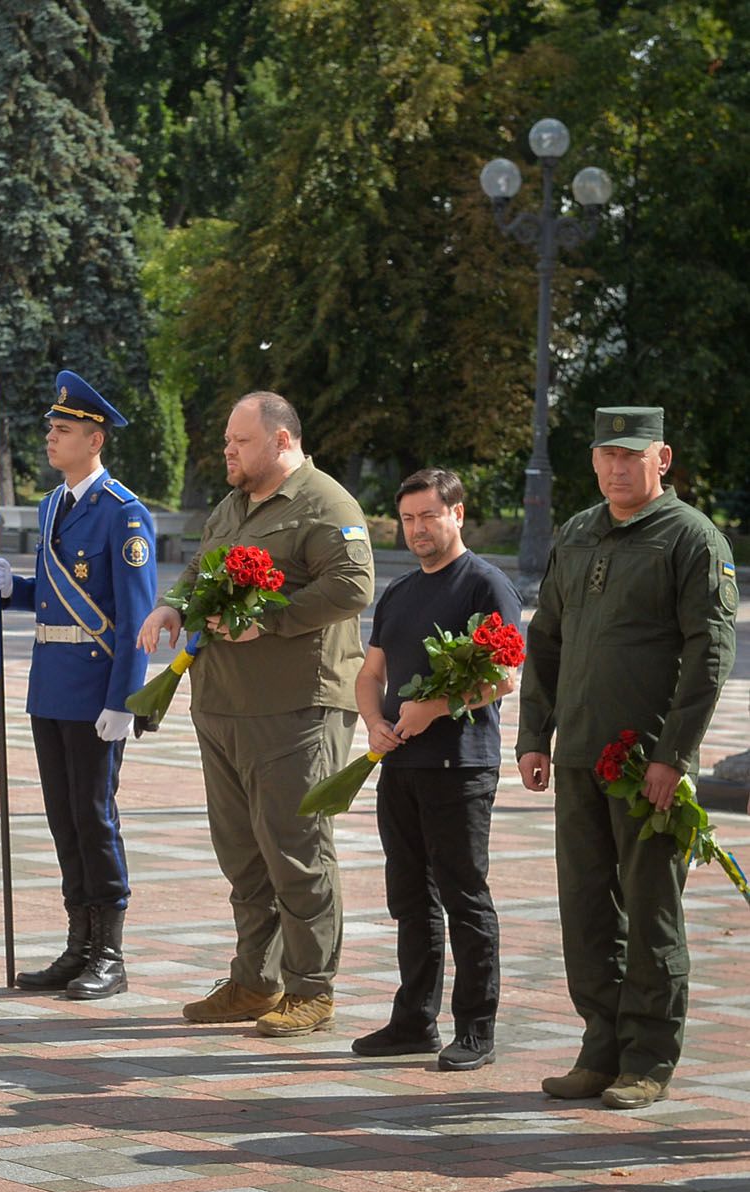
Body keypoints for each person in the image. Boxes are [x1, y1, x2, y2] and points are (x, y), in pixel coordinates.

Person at [518, 406, 737, 1110]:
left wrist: (674, 754)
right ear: (592, 459)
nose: (617, 466)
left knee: (650, 912)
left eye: (631, 455)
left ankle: (648, 1056)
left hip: (647, 766)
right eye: (607, 454)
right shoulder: (577, 532)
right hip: (579, 755)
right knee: (585, 908)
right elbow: (544, 639)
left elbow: (710, 652)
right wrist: (533, 735)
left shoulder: (690, 538)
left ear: (661, 458)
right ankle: (599, 1047)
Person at [140, 390, 374, 1037]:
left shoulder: (324, 503)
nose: (227, 452)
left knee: (294, 849)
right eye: (225, 441)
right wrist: (170, 605)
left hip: (294, 706)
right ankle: (254, 979)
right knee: (241, 852)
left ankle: (310, 987)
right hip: (221, 703)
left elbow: (352, 585)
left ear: (279, 440)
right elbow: (199, 569)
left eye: (237, 441)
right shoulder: (232, 506)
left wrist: (270, 622)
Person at [353, 468, 521, 1071]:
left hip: (460, 767)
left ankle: (476, 1027)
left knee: (464, 896)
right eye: (409, 519)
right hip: (399, 763)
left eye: (429, 515)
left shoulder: (485, 585)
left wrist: (438, 706)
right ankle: (413, 1020)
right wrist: (374, 720)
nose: (418, 528)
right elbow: (370, 675)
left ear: (457, 513)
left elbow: (503, 676)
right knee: (409, 898)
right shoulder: (398, 593)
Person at [0, 371, 157, 999]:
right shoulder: (53, 505)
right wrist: (18, 590)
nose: (50, 439)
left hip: (96, 695)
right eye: (50, 429)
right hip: (51, 688)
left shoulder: (124, 513)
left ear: (94, 439)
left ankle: (109, 953)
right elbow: (59, 595)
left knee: (94, 817)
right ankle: (78, 944)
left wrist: (126, 700)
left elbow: (134, 613)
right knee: (64, 818)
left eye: (62, 430)